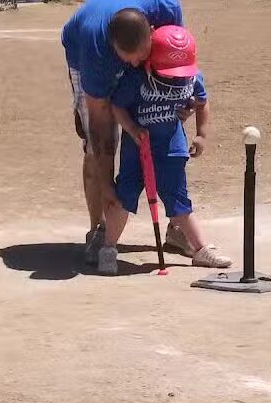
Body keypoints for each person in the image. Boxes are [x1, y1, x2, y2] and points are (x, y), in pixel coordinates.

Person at [61, 0, 194, 265]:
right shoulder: (96, 52)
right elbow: (101, 128)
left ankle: (177, 228)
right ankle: (99, 228)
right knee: (95, 146)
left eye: (142, 54)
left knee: (163, 124)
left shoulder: (166, 8)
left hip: (127, 38)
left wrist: (182, 101)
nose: (136, 63)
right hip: (82, 50)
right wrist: (109, 186)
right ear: (115, 50)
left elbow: (178, 59)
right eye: (128, 58)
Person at [96, 25, 232, 275]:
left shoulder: (191, 77)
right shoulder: (136, 78)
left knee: (179, 200)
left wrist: (202, 134)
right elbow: (118, 106)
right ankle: (108, 248)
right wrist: (132, 128)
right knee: (123, 198)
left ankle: (201, 249)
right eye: (168, 72)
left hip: (172, 147)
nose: (173, 77)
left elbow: (202, 103)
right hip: (136, 150)